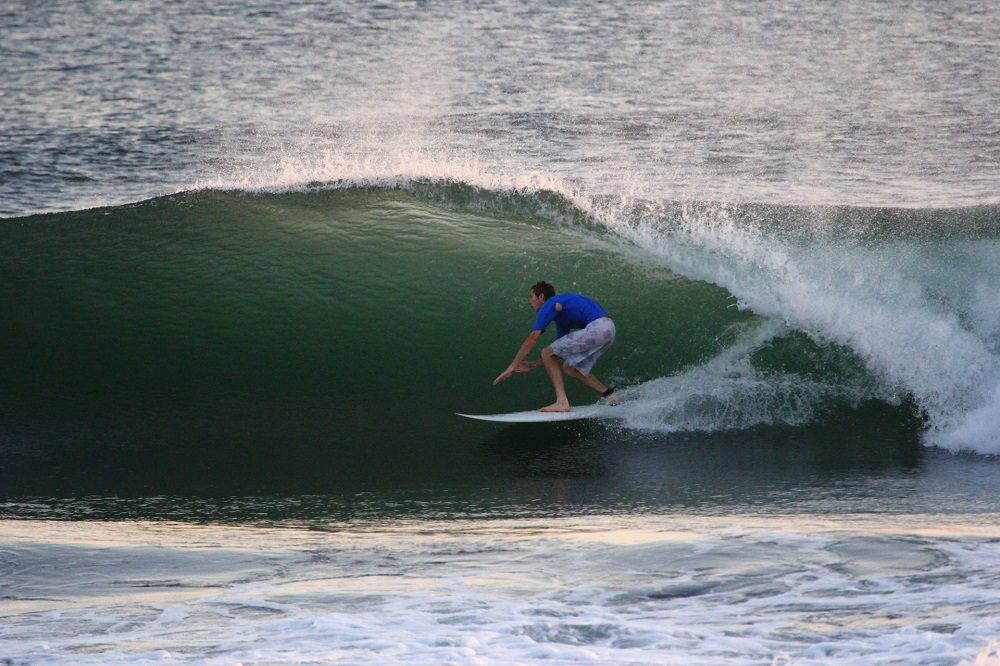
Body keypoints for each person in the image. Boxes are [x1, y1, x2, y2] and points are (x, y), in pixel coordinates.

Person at [493, 281, 621, 412]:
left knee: (546, 351)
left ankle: (561, 402)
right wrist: (533, 364)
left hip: (598, 327)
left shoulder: (550, 303)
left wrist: (513, 366)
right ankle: (611, 396)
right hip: (609, 330)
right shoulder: (561, 317)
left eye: (531, 296)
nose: (529, 301)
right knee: (570, 367)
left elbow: (532, 339)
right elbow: (556, 354)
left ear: (541, 297)